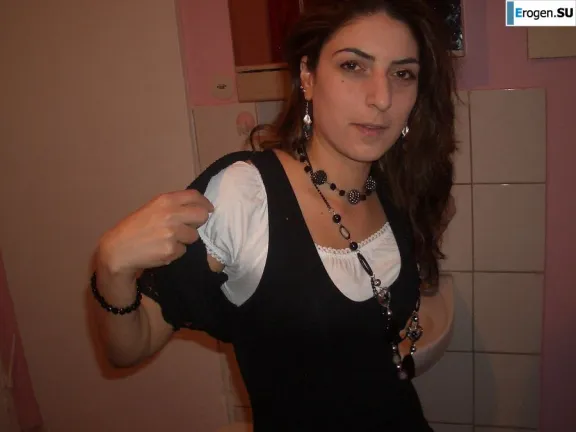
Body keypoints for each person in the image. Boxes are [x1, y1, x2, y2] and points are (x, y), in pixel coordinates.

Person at [91, 0, 458, 430]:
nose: (382, 98)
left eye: (402, 74)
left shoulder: (396, 184)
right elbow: (130, 347)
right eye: (353, 66)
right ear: (307, 76)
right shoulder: (244, 194)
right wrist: (111, 268)